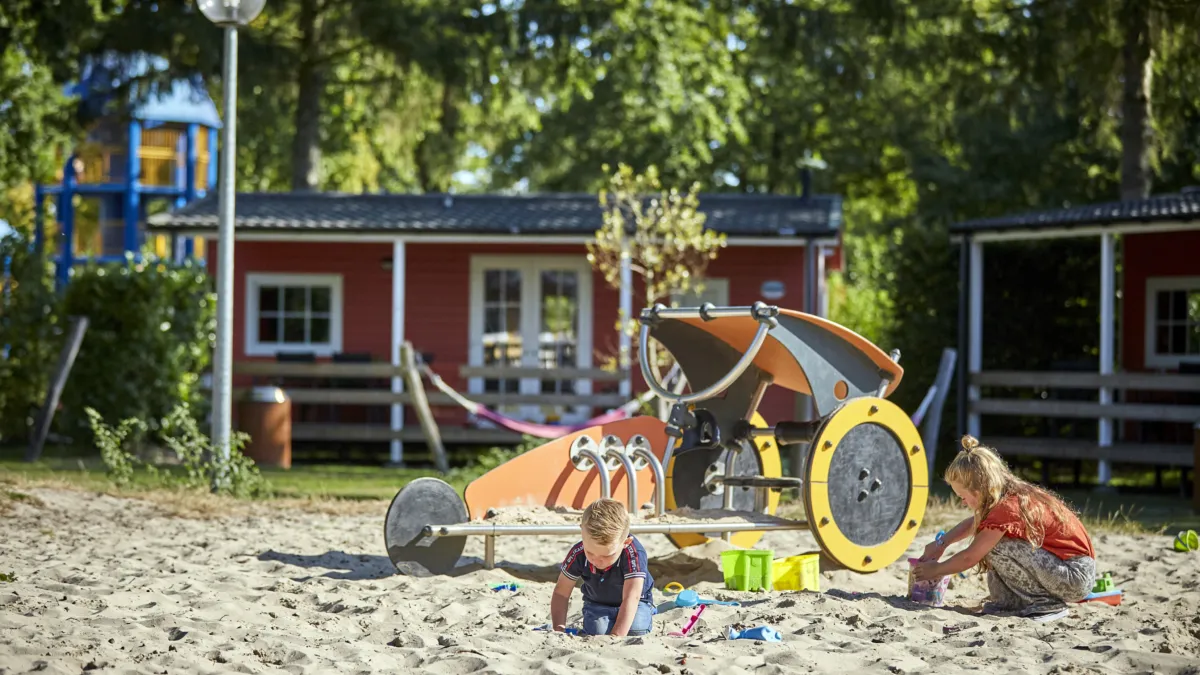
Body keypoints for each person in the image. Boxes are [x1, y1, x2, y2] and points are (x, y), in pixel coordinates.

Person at [912, 435, 1096, 619]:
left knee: (995, 545)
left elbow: (970, 556)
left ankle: (1046, 605)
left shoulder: (1008, 506)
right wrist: (941, 544)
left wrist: (935, 570)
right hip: (1064, 571)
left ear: (979, 491)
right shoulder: (1005, 498)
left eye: (962, 497)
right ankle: (1012, 603)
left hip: (1074, 576)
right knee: (991, 541)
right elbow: (972, 523)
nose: (962, 503)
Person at [550, 498, 656, 636]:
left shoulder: (633, 553)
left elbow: (632, 597)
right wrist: (558, 629)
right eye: (590, 553)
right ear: (582, 532)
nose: (597, 561)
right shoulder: (578, 552)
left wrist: (615, 637)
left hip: (637, 601)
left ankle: (648, 611)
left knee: (636, 629)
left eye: (607, 556)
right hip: (597, 603)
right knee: (596, 632)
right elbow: (561, 592)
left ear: (626, 542)